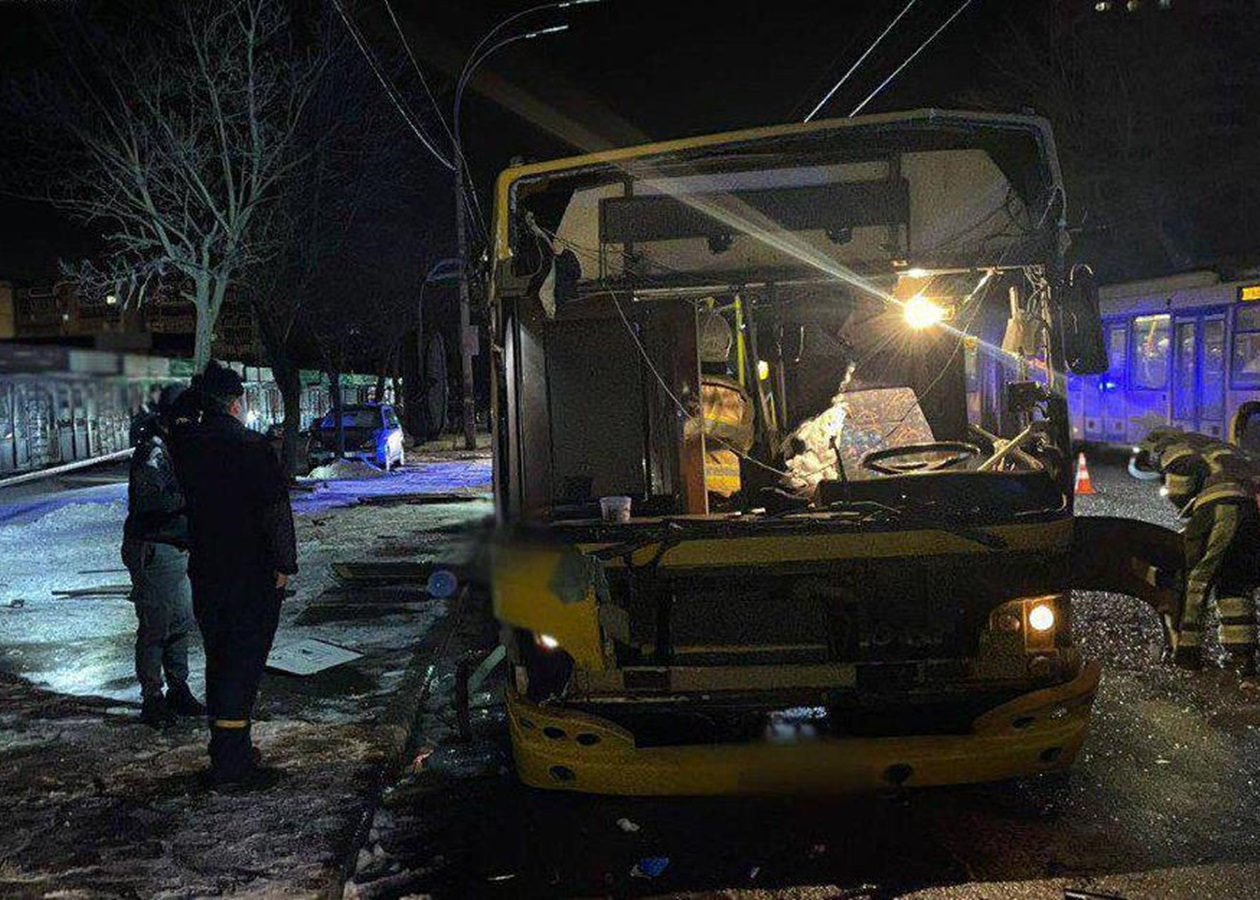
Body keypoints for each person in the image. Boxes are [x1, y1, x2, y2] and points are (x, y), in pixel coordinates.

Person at [169, 361, 297, 787]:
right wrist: (284, 566)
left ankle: (227, 747)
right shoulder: (251, 448)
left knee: (219, 658)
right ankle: (232, 763)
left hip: (207, 571)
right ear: (238, 403)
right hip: (252, 572)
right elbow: (276, 512)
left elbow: (175, 417)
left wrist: (197, 398)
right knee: (244, 663)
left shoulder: (187, 445)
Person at [1136, 430, 1260, 679]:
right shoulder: (1220, 447)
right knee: (1234, 585)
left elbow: (1183, 470)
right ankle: (1244, 659)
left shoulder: (1169, 448)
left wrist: (1186, 507)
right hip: (1250, 512)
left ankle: (1188, 656)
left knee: (1196, 582)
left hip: (1219, 510)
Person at [123, 384, 204, 727]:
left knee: (180, 623)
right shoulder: (153, 452)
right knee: (156, 626)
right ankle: (152, 697)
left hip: (174, 548)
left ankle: (178, 687)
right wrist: (191, 495)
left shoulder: (172, 447)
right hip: (154, 548)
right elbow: (150, 501)